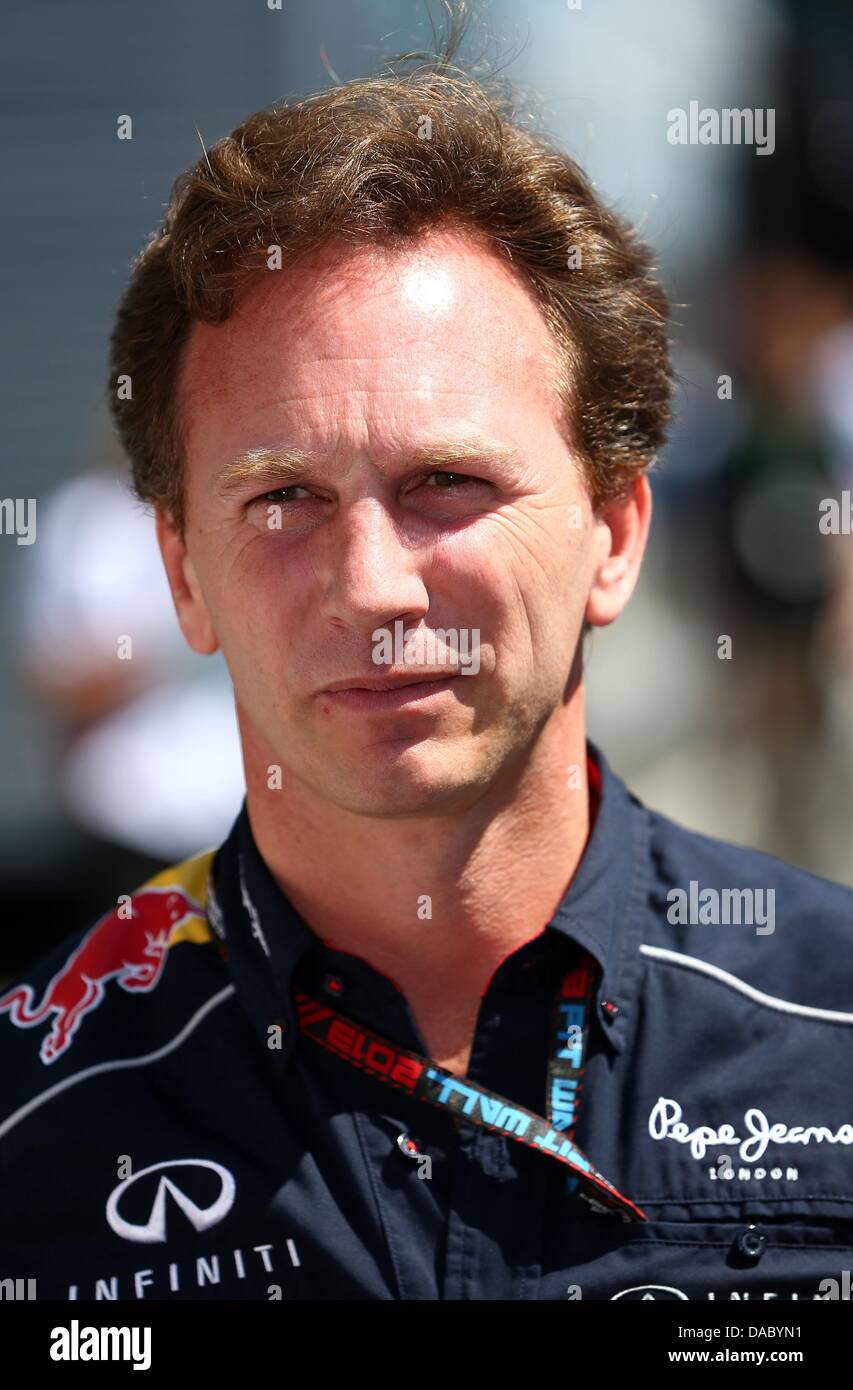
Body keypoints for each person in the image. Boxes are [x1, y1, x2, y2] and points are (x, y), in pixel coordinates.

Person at [2, 48, 853, 1304]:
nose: (373, 586)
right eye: (283, 497)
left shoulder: (829, 1031)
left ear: (615, 532)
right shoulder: (32, 1126)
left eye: (446, 484)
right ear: (180, 571)